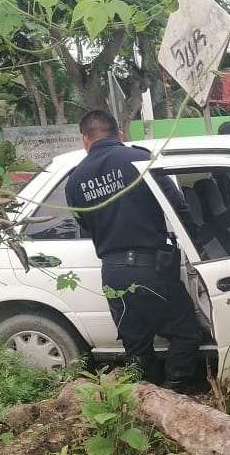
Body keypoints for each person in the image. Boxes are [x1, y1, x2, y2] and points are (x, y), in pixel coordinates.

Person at [65, 109, 204, 391]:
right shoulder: (138, 159)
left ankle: (145, 398)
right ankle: (175, 391)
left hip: (113, 273)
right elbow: (178, 206)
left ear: (84, 139)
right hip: (150, 268)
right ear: (119, 135)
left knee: (136, 344)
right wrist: (197, 241)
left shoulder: (74, 181)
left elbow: (86, 225)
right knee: (186, 331)